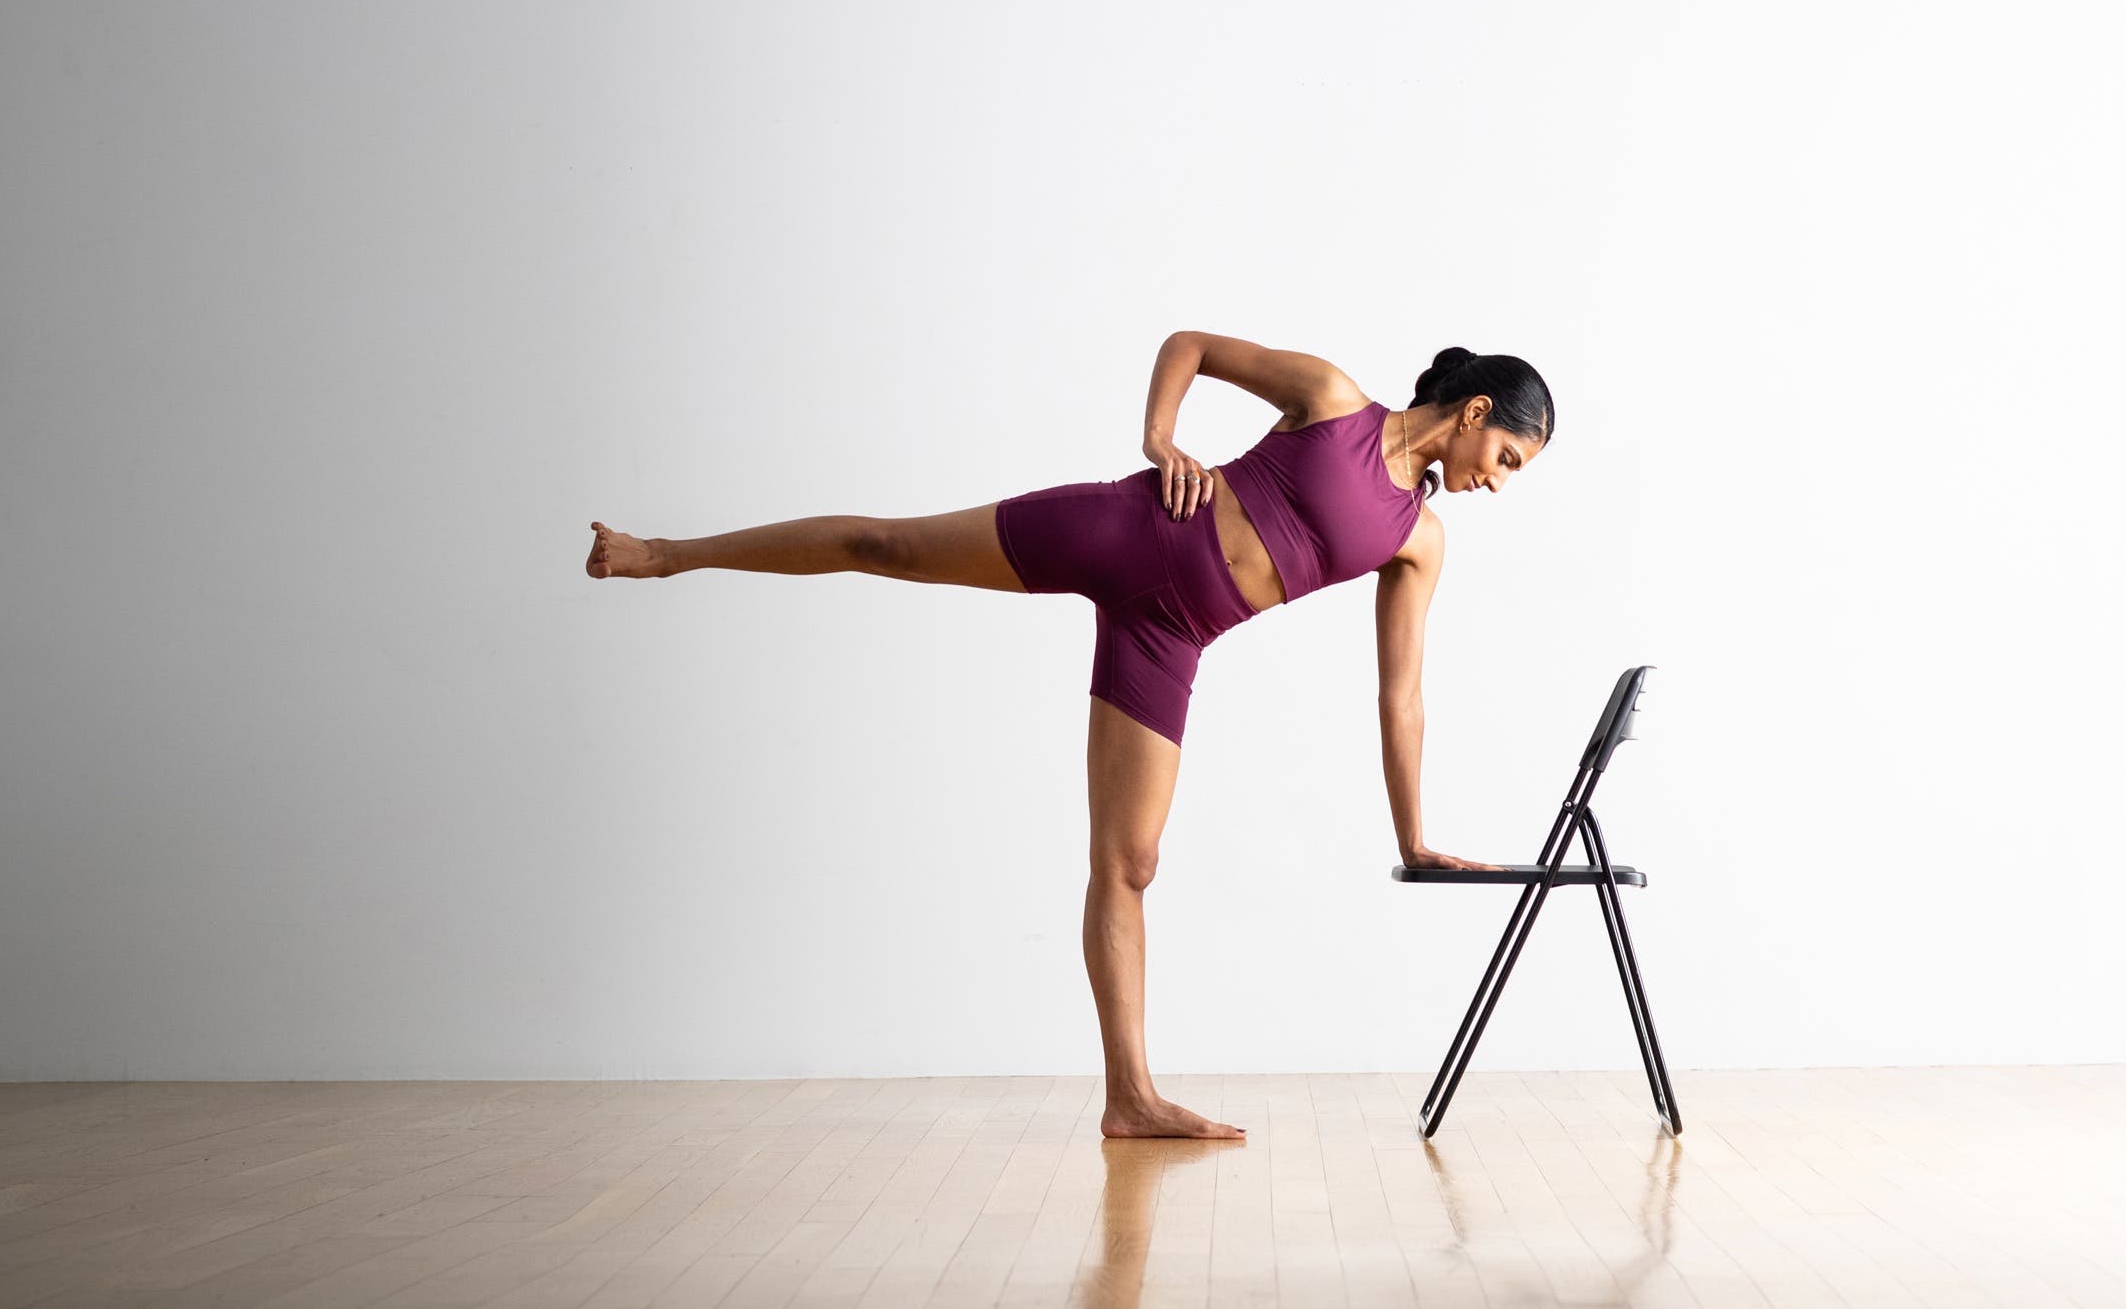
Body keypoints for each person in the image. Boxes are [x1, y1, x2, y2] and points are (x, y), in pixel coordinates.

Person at [584, 333, 1554, 1138]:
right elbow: (1191, 344)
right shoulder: (1332, 398)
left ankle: (1130, 1099)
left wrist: (1412, 838)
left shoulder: (1418, 539)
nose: (1500, 483)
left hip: (1168, 637)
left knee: (1130, 863)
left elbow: (1400, 696)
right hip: (1129, 530)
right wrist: (1161, 439)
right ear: (1476, 412)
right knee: (889, 544)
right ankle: (663, 554)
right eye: (1508, 458)